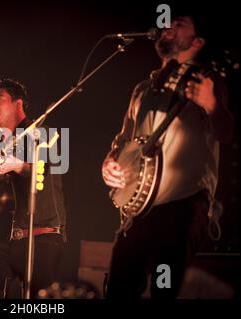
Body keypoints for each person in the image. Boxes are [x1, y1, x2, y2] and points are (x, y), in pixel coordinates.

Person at [101, 15, 235, 299]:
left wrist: (211, 104)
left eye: (180, 24)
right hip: (136, 211)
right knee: (118, 291)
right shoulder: (143, 89)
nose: (167, 27)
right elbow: (124, 140)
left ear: (197, 42)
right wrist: (110, 162)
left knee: (165, 292)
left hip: (182, 207)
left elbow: (226, 133)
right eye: (167, 23)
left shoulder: (206, 82)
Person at [0, 79, 67, 298]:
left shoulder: (45, 134)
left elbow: (44, 171)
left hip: (41, 237)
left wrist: (17, 165)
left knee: (41, 302)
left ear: (18, 102)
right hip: (5, 240)